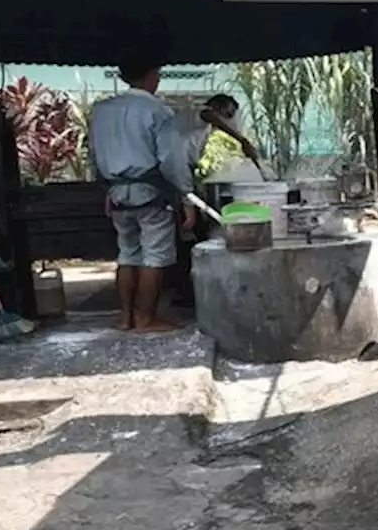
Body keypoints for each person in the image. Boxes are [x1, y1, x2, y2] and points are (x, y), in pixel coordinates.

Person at [88, 56, 194, 332]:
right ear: (150, 75)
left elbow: (94, 156)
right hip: (150, 194)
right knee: (155, 256)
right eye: (157, 72)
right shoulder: (157, 111)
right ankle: (146, 318)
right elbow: (172, 161)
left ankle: (125, 317)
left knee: (127, 253)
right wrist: (186, 197)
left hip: (117, 193)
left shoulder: (101, 110)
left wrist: (107, 188)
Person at [171, 94, 260, 307]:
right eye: (226, 114)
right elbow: (185, 176)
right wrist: (189, 207)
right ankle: (199, 294)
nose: (230, 119)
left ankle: (235, 292)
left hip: (239, 200)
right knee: (205, 247)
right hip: (206, 201)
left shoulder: (241, 141)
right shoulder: (197, 139)